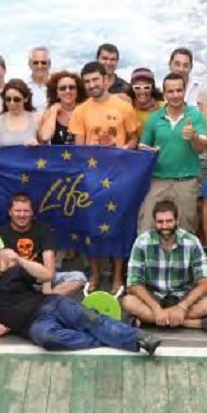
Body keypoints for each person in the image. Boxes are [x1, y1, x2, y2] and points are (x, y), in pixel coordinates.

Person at [0, 240, 162, 355]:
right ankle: (109, 339)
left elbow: (46, 276)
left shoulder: (15, 272)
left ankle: (140, 339)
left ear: (0, 259)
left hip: (52, 303)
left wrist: (18, 259)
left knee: (90, 319)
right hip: (32, 325)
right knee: (48, 339)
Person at [69, 61, 139, 292]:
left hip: (120, 178)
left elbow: (133, 138)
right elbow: (78, 149)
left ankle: (118, 276)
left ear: (106, 79)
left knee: (118, 225)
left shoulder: (124, 107)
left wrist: (125, 151)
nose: (91, 85)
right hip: (92, 179)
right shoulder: (80, 111)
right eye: (87, 81)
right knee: (92, 227)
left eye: (95, 80)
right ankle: (96, 275)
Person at [122, 200, 207, 332]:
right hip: (154, 297)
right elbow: (133, 283)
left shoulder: (191, 241)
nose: (165, 226)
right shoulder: (142, 242)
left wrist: (182, 307)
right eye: (160, 222)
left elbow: (206, 282)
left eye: (169, 221)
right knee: (128, 302)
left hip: (183, 297)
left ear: (177, 221)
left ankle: (150, 320)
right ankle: (192, 323)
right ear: (154, 222)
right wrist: (156, 308)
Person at [137, 72, 207, 234]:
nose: (175, 95)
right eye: (171, 91)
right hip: (157, 181)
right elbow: (142, 147)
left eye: (179, 90)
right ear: (164, 94)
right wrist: (150, 151)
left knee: (185, 231)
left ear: (184, 91)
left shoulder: (196, 116)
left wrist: (194, 136)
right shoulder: (154, 118)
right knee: (146, 228)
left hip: (186, 181)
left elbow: (201, 148)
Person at [0, 193, 86, 296]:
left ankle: (45, 300)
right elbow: (3, 270)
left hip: (41, 278)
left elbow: (49, 268)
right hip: (17, 281)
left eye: (26, 211)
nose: (22, 215)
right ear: (10, 212)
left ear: (32, 213)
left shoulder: (43, 229)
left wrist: (46, 290)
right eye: (18, 211)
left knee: (79, 277)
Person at [38, 71, 86, 145]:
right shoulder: (49, 112)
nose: (67, 91)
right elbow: (45, 137)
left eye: (72, 87)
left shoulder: (85, 109)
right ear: (56, 93)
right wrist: (54, 111)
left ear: (77, 91)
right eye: (62, 88)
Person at [0, 79, 42, 148]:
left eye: (17, 99)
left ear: (26, 98)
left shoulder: (37, 119)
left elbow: (46, 147)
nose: (12, 103)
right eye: (8, 99)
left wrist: (37, 145)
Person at [129, 67, 163, 138]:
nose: (142, 91)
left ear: (152, 88)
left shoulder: (163, 108)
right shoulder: (127, 107)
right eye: (137, 87)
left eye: (146, 87)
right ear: (132, 88)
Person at [26, 46, 51, 112]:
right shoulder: (23, 86)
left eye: (43, 62)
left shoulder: (59, 86)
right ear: (29, 64)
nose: (39, 66)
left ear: (49, 64)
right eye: (35, 63)